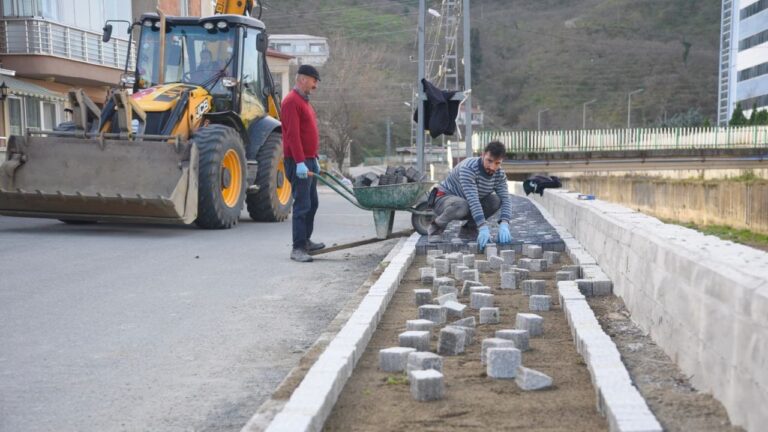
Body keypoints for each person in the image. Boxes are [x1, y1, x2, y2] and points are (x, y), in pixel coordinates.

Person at [428, 141, 513, 251]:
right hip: (443, 199)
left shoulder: (499, 174)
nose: (492, 167)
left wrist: (505, 223)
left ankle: (468, 230)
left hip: (466, 203)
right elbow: (473, 200)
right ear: (482, 155)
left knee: (495, 201)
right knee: (461, 205)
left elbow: (506, 199)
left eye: (497, 163)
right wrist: (482, 226)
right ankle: (436, 227)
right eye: (489, 161)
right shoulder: (469, 168)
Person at [282, 64, 325, 262]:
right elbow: (292, 135)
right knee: (302, 205)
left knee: (312, 203)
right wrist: (300, 162)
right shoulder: (291, 102)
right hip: (298, 162)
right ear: (303, 79)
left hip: (308, 160)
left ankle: (306, 240)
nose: (315, 85)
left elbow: (307, 133)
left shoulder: (304, 102)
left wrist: (314, 158)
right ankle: (298, 248)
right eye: (314, 81)